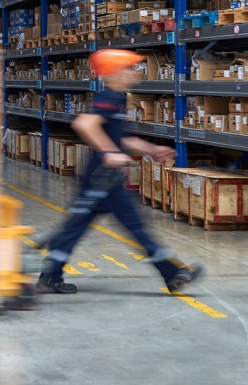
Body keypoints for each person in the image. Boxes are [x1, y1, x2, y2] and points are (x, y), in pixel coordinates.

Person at [36, 49, 203, 295]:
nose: (136, 72)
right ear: (114, 72)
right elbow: (84, 124)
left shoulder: (117, 97)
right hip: (100, 180)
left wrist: (152, 149)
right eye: (130, 68)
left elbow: (120, 138)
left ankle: (49, 276)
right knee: (121, 228)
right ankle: (171, 274)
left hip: (106, 180)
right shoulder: (108, 97)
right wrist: (108, 153)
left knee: (86, 229)